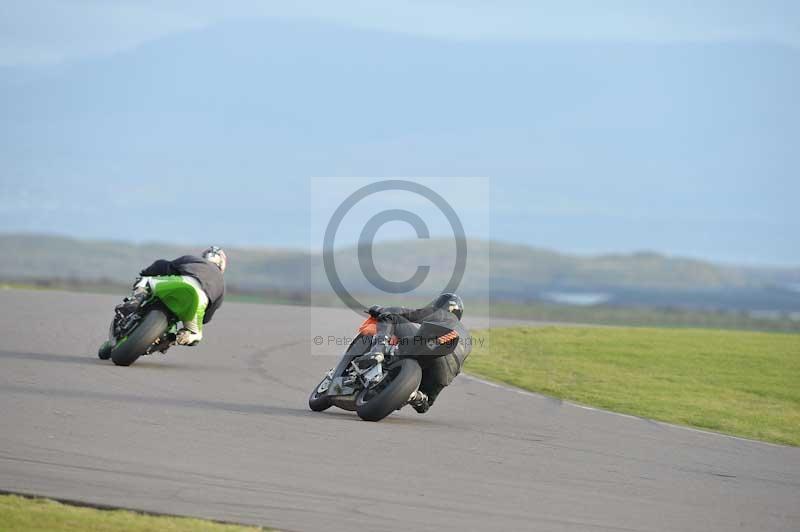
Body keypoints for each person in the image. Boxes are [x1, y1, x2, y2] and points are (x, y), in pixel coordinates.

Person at [98, 246, 226, 358]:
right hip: (200, 302)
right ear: (222, 265)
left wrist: (145, 273)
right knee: (195, 336)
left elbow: (162, 265)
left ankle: (135, 300)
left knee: (146, 280)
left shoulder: (193, 259)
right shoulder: (222, 285)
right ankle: (173, 339)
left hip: (182, 282)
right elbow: (206, 317)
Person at [359, 293, 470, 414]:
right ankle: (415, 397)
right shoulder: (467, 337)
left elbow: (409, 313)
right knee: (425, 404)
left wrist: (380, 310)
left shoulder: (443, 314)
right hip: (445, 373)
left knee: (390, 316)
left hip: (430, 346)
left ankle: (377, 351)